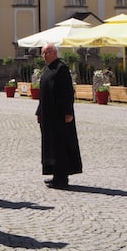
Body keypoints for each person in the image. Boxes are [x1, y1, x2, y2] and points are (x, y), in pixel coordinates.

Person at [36, 43, 83, 190]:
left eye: (46, 53)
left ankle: (62, 178)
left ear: (54, 53)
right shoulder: (48, 69)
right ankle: (55, 174)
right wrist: (39, 111)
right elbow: (43, 93)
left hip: (60, 115)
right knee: (51, 145)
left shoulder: (61, 69)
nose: (44, 56)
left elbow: (68, 92)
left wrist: (68, 112)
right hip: (48, 115)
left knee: (61, 145)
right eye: (43, 53)